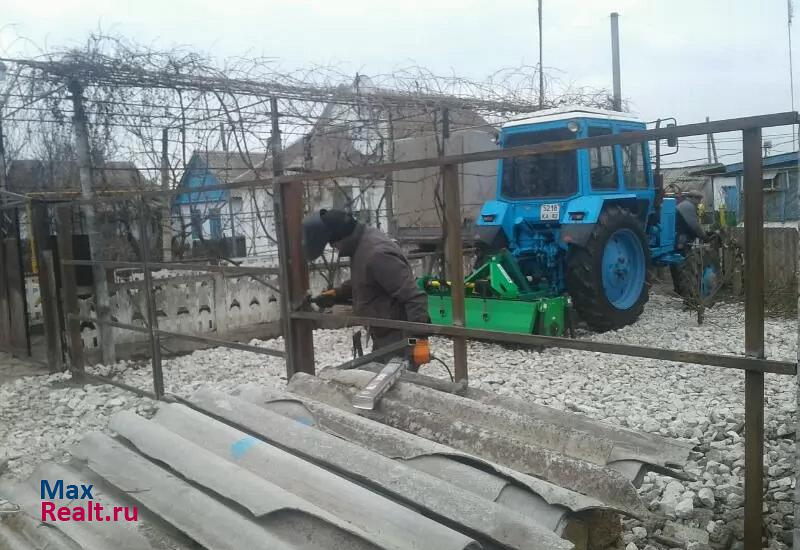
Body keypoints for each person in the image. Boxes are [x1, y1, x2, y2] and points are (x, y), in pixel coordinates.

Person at [302, 209, 431, 370]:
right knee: (381, 382)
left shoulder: (377, 254)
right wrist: (337, 294)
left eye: (333, 244)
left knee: (397, 387)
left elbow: (414, 297)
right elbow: (367, 279)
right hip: (383, 333)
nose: (334, 248)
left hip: (399, 338)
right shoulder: (362, 244)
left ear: (341, 238)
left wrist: (420, 340)